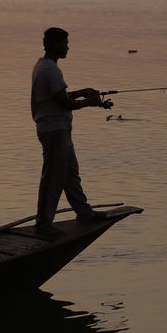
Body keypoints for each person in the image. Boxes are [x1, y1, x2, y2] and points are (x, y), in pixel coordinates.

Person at [31, 27, 108, 235]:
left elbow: (57, 95)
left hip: (60, 129)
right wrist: (88, 103)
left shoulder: (44, 66)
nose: (68, 47)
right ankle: (44, 225)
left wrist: (84, 92)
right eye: (65, 43)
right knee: (53, 177)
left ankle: (84, 212)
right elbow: (64, 102)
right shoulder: (50, 69)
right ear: (56, 45)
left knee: (69, 173)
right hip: (54, 130)